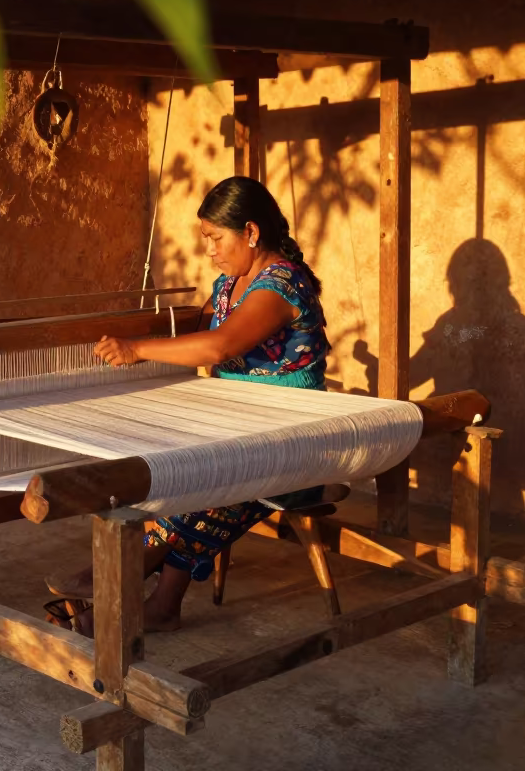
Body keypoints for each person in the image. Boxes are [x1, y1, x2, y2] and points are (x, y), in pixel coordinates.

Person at [45, 176, 331, 635]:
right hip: (240, 424)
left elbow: (218, 346)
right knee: (177, 465)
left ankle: (135, 568)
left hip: (293, 438)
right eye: (206, 239)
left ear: (251, 232)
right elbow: (199, 339)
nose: (210, 251)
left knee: (217, 477)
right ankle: (157, 598)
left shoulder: (281, 285)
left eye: (216, 238)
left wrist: (137, 349)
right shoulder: (229, 285)